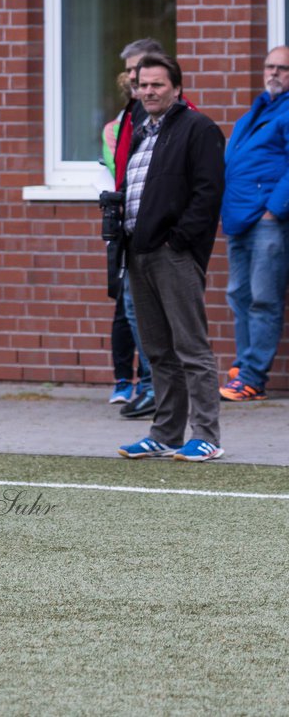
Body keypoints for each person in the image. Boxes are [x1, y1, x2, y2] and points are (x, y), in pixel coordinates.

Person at [114, 54, 225, 462]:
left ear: (176, 88)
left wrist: (179, 241)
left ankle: (207, 435)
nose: (148, 92)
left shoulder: (198, 128)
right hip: (138, 253)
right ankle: (166, 433)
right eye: (143, 85)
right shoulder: (142, 132)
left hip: (173, 255)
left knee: (191, 349)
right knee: (158, 351)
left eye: (157, 85)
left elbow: (208, 193)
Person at [218, 46, 289, 402]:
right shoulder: (255, 112)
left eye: (283, 68)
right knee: (239, 296)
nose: (275, 73)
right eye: (270, 66)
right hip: (240, 220)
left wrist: (274, 210)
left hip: (267, 222)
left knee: (263, 299)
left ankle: (252, 377)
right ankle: (244, 366)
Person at [101, 39, 163, 416]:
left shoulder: (169, 117)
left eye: (139, 69)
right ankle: (141, 383)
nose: (134, 78)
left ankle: (157, 385)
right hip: (128, 228)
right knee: (127, 306)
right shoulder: (125, 118)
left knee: (151, 311)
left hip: (157, 233)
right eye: (130, 71)